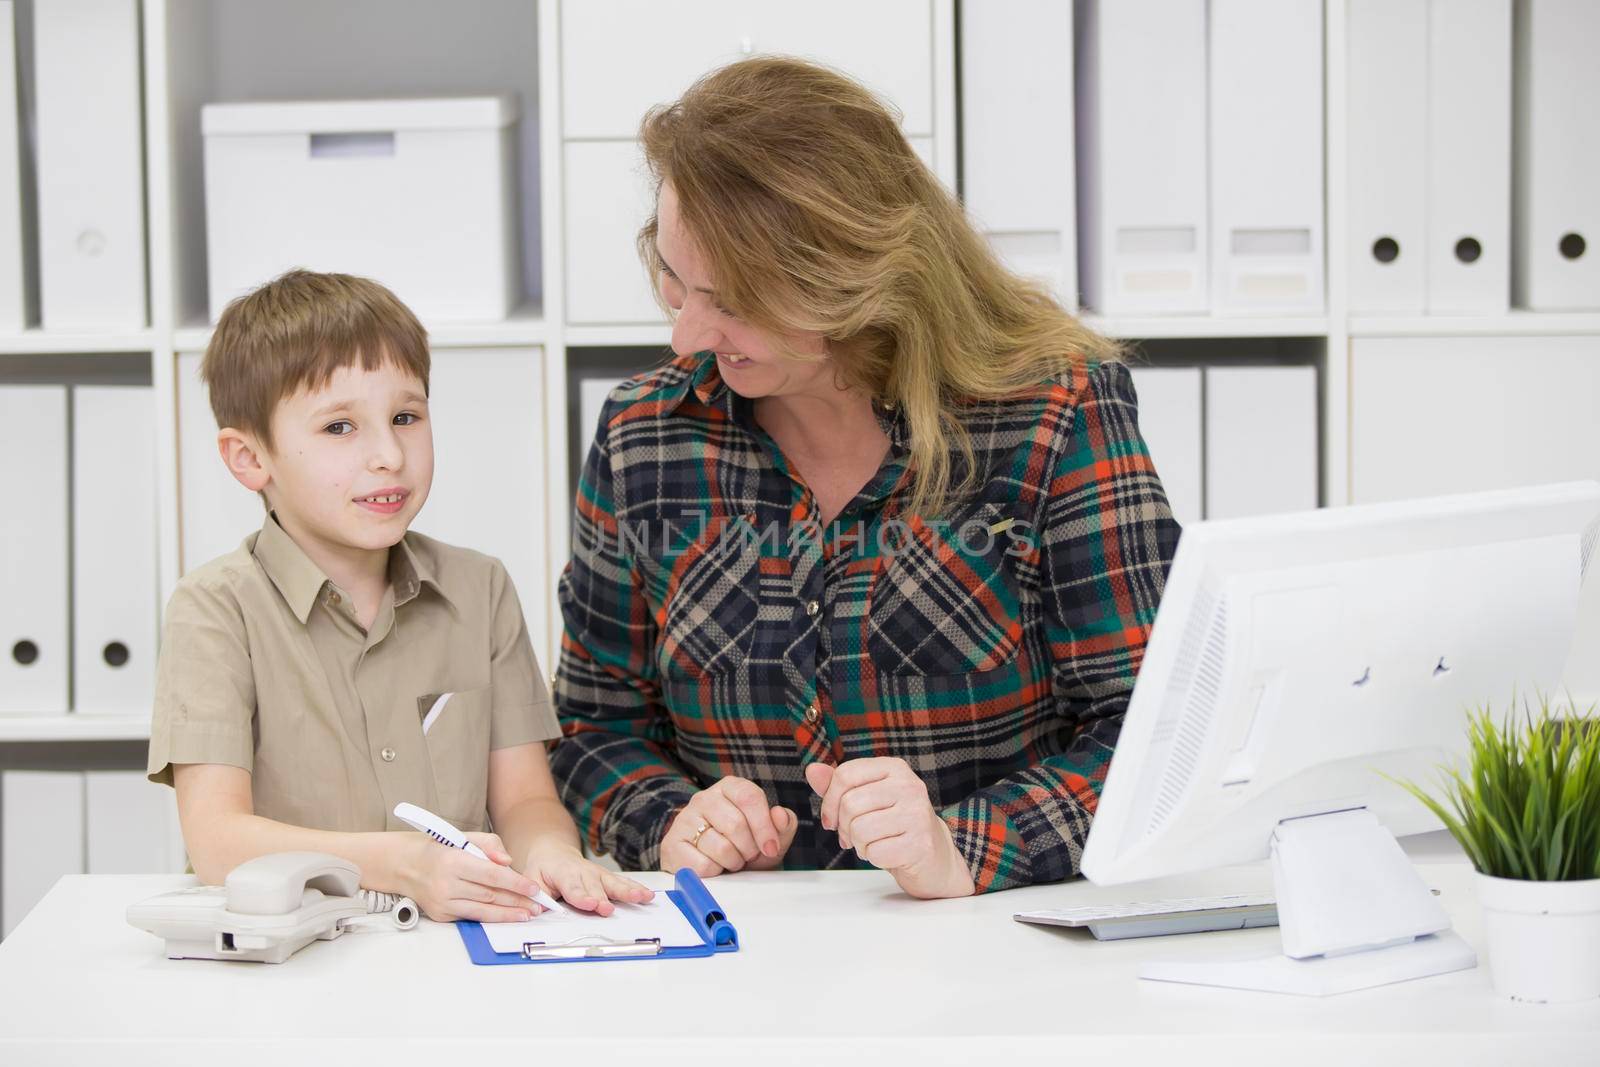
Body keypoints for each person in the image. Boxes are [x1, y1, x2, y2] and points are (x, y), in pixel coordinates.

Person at [551, 58, 1182, 898]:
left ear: (853, 282)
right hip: (743, 960)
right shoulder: (645, 438)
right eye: (675, 283)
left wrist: (963, 847)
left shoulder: (1053, 412)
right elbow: (593, 727)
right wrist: (671, 820)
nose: (688, 337)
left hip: (996, 953)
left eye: (732, 301)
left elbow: (1153, 732)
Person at [147, 270, 650, 922]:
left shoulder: (482, 589)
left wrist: (550, 853)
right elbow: (217, 840)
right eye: (339, 428)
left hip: (453, 957)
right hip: (284, 963)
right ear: (249, 458)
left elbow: (525, 801)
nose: (388, 454)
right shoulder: (214, 608)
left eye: (406, 416)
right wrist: (407, 864)